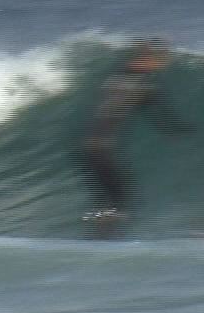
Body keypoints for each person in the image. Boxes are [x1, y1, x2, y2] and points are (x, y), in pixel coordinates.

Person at [79, 39, 192, 236]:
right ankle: (101, 241)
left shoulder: (116, 78)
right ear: (150, 60)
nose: (163, 64)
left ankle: (97, 239)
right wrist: (180, 130)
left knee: (109, 203)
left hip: (90, 148)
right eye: (162, 60)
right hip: (104, 150)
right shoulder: (143, 85)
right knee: (119, 205)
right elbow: (161, 118)